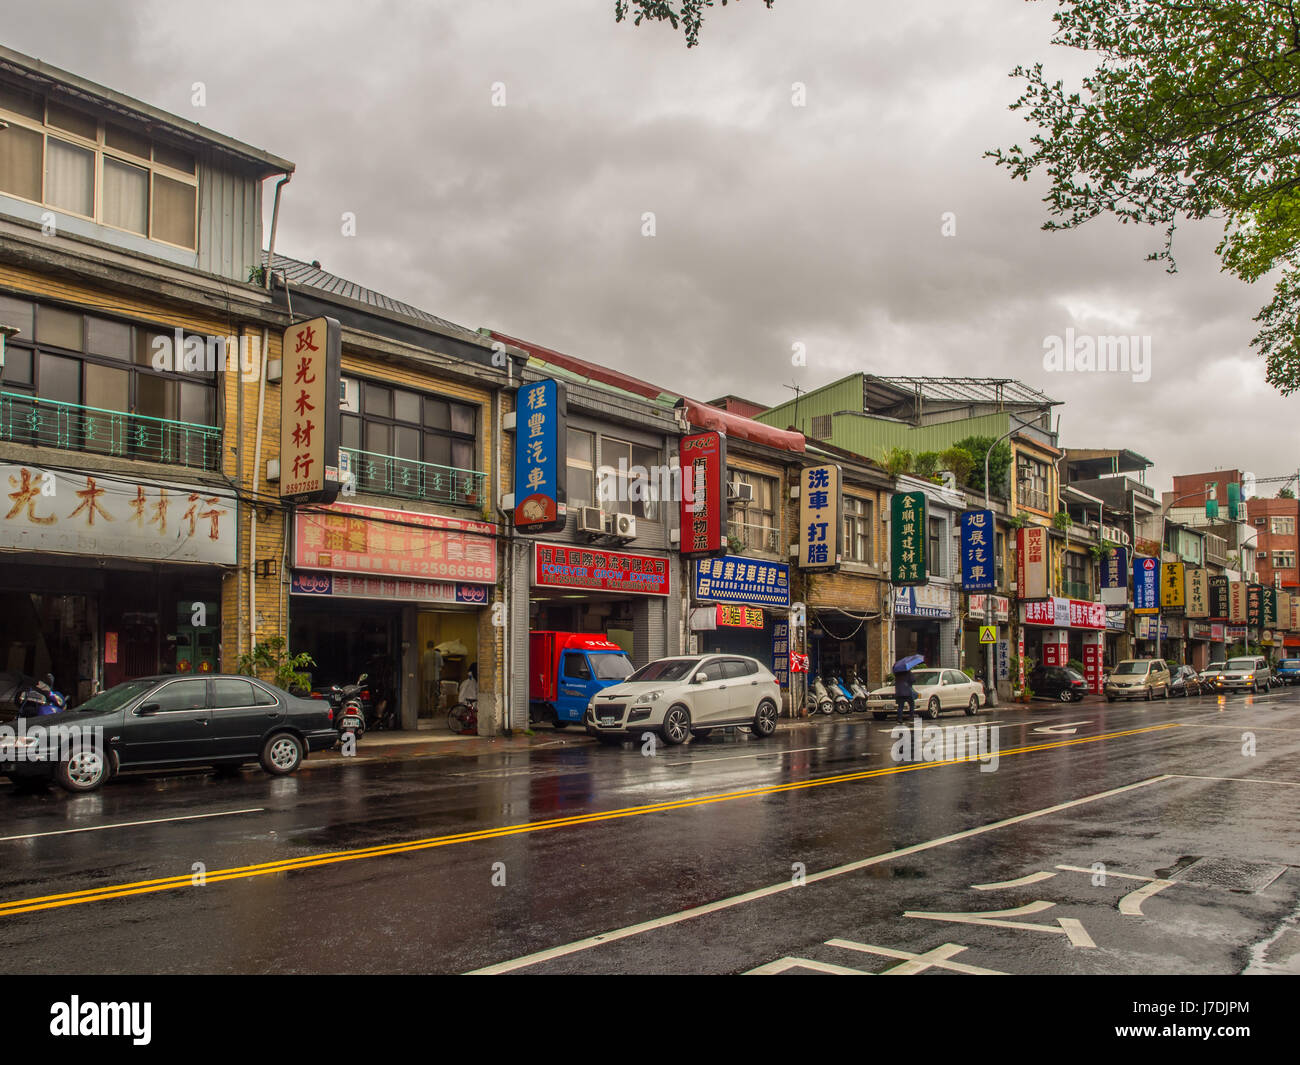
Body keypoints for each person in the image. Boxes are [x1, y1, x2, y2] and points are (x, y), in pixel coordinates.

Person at [421, 641, 443, 711]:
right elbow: (441, 665)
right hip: (436, 677)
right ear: (433, 646)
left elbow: (423, 665)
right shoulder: (438, 654)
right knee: (435, 693)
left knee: (427, 694)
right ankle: (434, 709)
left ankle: (427, 708)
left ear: (427, 646)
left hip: (427, 677)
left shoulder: (425, 654)